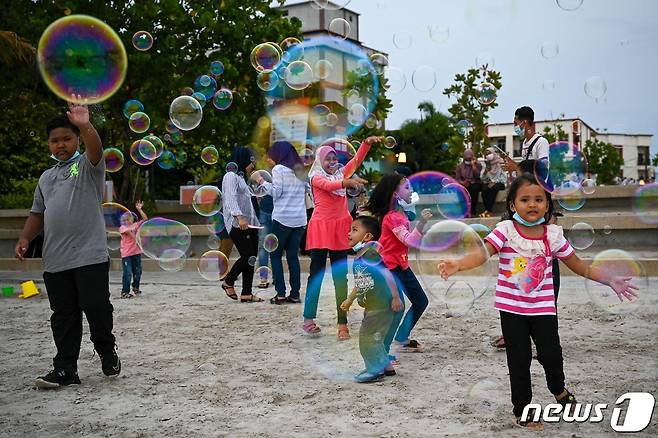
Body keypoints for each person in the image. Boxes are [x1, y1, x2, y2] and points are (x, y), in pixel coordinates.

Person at [438, 174, 638, 430]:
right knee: (518, 359)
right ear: (512, 205)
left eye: (538, 199)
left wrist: (610, 279)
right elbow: (482, 253)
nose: (532, 204)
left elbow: (579, 266)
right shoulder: (505, 231)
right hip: (512, 309)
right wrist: (458, 263)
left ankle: (558, 389)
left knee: (551, 354)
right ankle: (523, 408)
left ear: (547, 204)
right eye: (524, 199)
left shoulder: (553, 235)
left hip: (543, 309)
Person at [15, 101, 120, 389]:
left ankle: (106, 348)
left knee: (96, 307)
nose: (60, 144)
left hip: (90, 255)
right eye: (54, 140)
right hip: (56, 259)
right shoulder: (46, 178)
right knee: (63, 316)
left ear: (76, 140)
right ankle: (65, 369)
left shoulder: (88, 167)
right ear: (48, 144)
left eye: (67, 138)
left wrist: (85, 125)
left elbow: (95, 148)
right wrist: (25, 237)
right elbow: (37, 213)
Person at [302, 136, 379, 339]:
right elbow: (329, 187)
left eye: (334, 158)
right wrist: (347, 181)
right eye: (327, 159)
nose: (331, 162)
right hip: (321, 228)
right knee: (316, 275)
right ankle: (308, 319)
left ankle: (342, 324)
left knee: (340, 278)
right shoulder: (316, 177)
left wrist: (366, 144)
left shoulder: (340, 173)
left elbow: (355, 162)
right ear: (320, 160)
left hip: (340, 228)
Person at [364, 174, 433, 356]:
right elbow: (409, 240)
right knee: (396, 308)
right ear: (395, 194)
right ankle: (384, 352)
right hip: (389, 268)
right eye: (407, 187)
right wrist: (422, 224)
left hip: (401, 265)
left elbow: (408, 241)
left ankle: (402, 336)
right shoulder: (392, 217)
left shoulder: (402, 214)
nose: (411, 191)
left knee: (421, 301)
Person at [340, 216, 404, 383]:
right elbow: (361, 283)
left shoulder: (370, 255)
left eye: (354, 230)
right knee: (376, 338)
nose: (349, 233)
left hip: (380, 305)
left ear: (367, 237)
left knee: (367, 338)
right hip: (373, 306)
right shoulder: (360, 257)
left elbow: (386, 273)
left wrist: (396, 297)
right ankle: (387, 368)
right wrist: (349, 299)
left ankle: (374, 370)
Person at [253, 141, 307, 304]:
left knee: (275, 255)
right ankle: (295, 294)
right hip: (299, 220)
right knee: (292, 257)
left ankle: (281, 294)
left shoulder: (279, 169)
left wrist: (261, 180)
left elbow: (276, 192)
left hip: (283, 218)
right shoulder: (300, 170)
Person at [221, 146, 262, 302]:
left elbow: (248, 201)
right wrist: (239, 217)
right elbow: (230, 198)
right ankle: (228, 281)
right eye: (251, 161)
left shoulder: (241, 177)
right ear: (243, 158)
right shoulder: (230, 176)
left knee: (252, 257)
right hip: (238, 223)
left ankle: (246, 293)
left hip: (250, 223)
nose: (253, 165)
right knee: (248, 255)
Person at [502, 106, 549, 175]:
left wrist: (517, 167)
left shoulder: (541, 142)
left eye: (515, 123)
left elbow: (543, 167)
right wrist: (513, 164)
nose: (515, 127)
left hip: (539, 185)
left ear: (524, 122)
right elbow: (527, 168)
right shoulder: (525, 142)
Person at [118, 201, 148, 299]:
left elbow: (145, 219)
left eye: (129, 219)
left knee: (138, 271)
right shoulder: (122, 228)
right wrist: (137, 238)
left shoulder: (136, 225)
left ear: (132, 219)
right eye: (125, 220)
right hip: (126, 254)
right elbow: (130, 234)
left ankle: (135, 287)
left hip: (136, 253)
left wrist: (139, 209)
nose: (127, 221)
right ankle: (124, 292)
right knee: (127, 272)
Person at [480, 147, 507, 217]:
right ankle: (487, 210)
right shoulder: (486, 163)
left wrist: (495, 182)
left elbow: (504, 177)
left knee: (493, 189)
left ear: (493, 153)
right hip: (489, 183)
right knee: (484, 190)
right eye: (486, 154)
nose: (488, 155)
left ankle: (488, 210)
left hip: (500, 182)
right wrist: (486, 171)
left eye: (489, 153)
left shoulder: (500, 161)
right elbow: (482, 178)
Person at [455, 149, 482, 217]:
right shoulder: (460, 166)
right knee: (461, 190)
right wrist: (463, 182)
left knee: (474, 189)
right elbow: (457, 178)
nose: (468, 160)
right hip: (464, 183)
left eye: (470, 159)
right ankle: (464, 211)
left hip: (475, 182)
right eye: (467, 159)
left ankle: (472, 210)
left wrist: (473, 166)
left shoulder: (478, 165)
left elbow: (478, 175)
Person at [256, 194, 273, 288]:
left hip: (278, 213)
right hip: (265, 212)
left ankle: (275, 277)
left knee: (274, 246)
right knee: (263, 246)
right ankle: (264, 277)